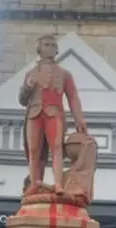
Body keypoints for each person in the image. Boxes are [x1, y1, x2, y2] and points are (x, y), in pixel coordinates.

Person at [18, 34, 87, 196]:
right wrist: (28, 87)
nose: (49, 48)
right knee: (34, 150)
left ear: (56, 50)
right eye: (46, 45)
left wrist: (79, 119)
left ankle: (57, 184)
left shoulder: (64, 74)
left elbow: (72, 97)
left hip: (53, 113)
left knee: (56, 148)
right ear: (39, 49)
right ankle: (34, 184)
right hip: (34, 114)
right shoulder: (31, 74)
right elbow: (22, 100)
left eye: (52, 45)